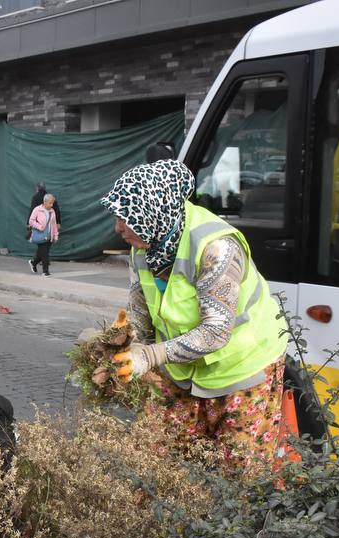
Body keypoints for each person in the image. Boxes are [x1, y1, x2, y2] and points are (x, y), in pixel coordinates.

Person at [103, 160, 290, 467]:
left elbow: (216, 331)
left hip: (243, 367)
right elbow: (140, 310)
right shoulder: (143, 247)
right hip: (179, 367)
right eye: (118, 217)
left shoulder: (216, 248)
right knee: (153, 460)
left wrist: (148, 357)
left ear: (154, 212)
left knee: (240, 472)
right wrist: (126, 342)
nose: (118, 228)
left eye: (127, 217)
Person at [28, 193, 60, 277]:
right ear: (44, 202)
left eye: (52, 203)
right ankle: (45, 272)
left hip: (50, 236)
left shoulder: (52, 211)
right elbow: (31, 221)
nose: (51, 205)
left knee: (41, 253)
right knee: (45, 253)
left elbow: (54, 224)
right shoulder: (37, 209)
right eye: (50, 203)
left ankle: (33, 262)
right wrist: (39, 226)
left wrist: (56, 235)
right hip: (41, 235)